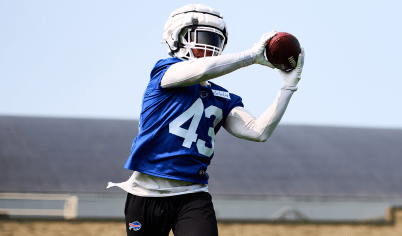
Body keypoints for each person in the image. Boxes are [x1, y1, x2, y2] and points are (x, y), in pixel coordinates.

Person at [107, 3, 304, 236]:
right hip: (145, 192)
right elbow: (199, 71)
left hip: (192, 193)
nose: (209, 46)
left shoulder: (222, 97)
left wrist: (288, 87)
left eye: (215, 40)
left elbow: (258, 131)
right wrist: (251, 56)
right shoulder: (164, 73)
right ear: (176, 37)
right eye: (203, 37)